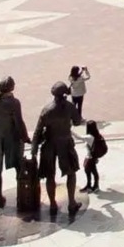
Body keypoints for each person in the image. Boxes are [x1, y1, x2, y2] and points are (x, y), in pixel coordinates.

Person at [32, 81, 82, 222]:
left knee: (49, 175)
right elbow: (77, 121)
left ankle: (53, 204)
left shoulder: (47, 109)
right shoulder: (70, 107)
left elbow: (37, 131)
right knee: (71, 173)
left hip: (49, 144)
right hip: (65, 142)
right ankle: (71, 203)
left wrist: (34, 149)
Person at [0, 76, 29, 210]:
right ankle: (21, 195)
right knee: (18, 166)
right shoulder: (14, 103)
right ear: (11, 87)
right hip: (12, 139)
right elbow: (19, 123)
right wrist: (25, 138)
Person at [82, 120, 108, 192]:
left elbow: (78, 137)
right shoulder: (98, 135)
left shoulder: (90, 137)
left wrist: (69, 131)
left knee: (88, 170)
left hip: (90, 157)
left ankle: (90, 186)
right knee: (93, 171)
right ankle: (94, 186)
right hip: (93, 156)